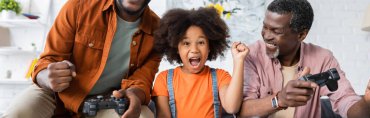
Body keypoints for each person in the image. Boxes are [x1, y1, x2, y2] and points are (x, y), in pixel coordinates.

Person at [3, 0, 161, 117]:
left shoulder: (159, 31)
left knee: (143, 115)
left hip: (107, 100)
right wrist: (48, 77)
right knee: (18, 113)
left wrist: (134, 94)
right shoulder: (77, 7)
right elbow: (48, 61)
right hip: (55, 95)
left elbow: (142, 80)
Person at [240, 0, 370, 118]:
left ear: (301, 35)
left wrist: (368, 101)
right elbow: (241, 111)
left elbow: (346, 103)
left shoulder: (323, 58)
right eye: (265, 27)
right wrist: (280, 100)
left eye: (276, 31)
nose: (266, 35)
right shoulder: (252, 55)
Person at [151, 7, 249, 118]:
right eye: (186, 43)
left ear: (210, 47)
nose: (194, 49)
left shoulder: (220, 77)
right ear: (176, 48)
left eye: (201, 42)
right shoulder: (163, 79)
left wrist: (239, 60)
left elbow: (232, 107)